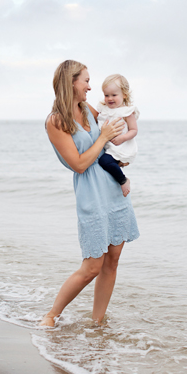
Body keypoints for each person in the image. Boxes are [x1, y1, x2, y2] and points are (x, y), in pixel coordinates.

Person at [40, 60, 140, 327]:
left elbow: (119, 120)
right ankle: (51, 315)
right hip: (90, 192)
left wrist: (122, 153)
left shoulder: (89, 109)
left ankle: (97, 322)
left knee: (113, 260)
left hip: (113, 188)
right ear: (72, 82)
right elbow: (79, 163)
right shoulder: (56, 121)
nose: (90, 86)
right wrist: (102, 137)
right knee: (92, 267)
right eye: (85, 80)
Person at [96, 74, 139, 197]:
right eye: (106, 95)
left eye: (114, 95)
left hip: (121, 146)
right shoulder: (103, 109)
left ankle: (123, 180)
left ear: (124, 94)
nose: (110, 98)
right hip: (108, 145)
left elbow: (134, 130)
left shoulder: (127, 112)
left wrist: (122, 138)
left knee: (104, 161)